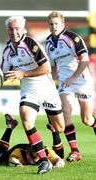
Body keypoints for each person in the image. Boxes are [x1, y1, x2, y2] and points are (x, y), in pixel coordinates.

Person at [0, 15, 65, 174]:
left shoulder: (31, 43)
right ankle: (44, 161)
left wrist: (23, 74)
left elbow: (47, 68)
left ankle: (54, 133)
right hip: (29, 91)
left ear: (23, 30)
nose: (14, 31)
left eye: (17, 28)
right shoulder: (7, 51)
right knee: (26, 119)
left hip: (47, 89)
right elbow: (6, 74)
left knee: (59, 127)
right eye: (11, 29)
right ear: (7, 30)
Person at [45, 11, 96, 162]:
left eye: (57, 24)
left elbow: (85, 60)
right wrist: (47, 80)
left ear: (63, 24)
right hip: (64, 82)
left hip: (81, 79)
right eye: (51, 24)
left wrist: (74, 77)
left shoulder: (73, 38)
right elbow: (53, 68)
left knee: (87, 119)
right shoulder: (48, 44)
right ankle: (75, 151)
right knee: (65, 112)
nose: (54, 27)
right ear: (49, 25)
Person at [0, 114, 65, 168]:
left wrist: (57, 165)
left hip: (36, 147)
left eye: (36, 159)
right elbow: (13, 161)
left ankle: (54, 130)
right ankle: (10, 126)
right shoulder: (19, 151)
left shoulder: (46, 151)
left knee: (60, 156)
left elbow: (60, 161)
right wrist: (19, 165)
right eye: (31, 158)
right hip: (12, 152)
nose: (33, 162)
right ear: (27, 153)